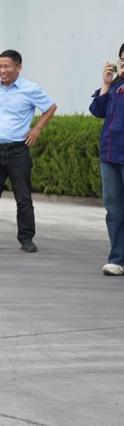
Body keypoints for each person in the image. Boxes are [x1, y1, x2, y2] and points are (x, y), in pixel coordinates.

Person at [0, 49, 56, 253]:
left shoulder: (30, 89)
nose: (2, 70)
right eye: (0, 66)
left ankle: (26, 239)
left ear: (18, 67)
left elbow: (50, 107)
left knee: (23, 198)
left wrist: (37, 128)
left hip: (18, 151)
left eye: (7, 66)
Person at [89, 44, 124, 276]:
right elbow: (96, 110)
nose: (123, 63)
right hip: (110, 155)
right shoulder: (115, 86)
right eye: (122, 59)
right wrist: (105, 83)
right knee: (114, 209)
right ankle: (117, 259)